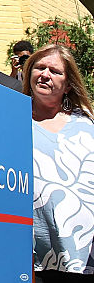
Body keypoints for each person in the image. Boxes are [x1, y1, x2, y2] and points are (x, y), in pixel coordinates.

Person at [26, 43, 94, 280]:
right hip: (29, 253)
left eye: (55, 71)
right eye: (40, 68)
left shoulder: (87, 125)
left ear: (67, 84)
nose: (45, 74)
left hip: (82, 255)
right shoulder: (11, 119)